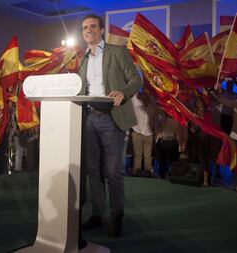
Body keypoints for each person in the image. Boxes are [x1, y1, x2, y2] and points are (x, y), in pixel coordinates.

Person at [78, 14, 142, 237]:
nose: (89, 30)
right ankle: (98, 214)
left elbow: (136, 80)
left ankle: (117, 215)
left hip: (112, 118)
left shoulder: (117, 52)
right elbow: (80, 89)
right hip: (90, 119)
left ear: (102, 30)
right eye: (85, 27)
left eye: (93, 26)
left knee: (113, 171)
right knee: (93, 171)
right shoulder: (83, 59)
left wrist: (123, 92)